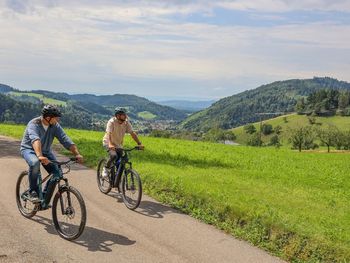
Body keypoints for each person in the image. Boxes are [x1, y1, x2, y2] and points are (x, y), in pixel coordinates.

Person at [20, 105, 83, 203]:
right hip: (29, 149)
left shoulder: (55, 126)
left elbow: (65, 139)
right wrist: (40, 156)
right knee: (35, 163)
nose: (58, 120)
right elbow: (35, 140)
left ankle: (44, 199)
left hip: (46, 151)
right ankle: (32, 192)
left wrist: (77, 154)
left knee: (57, 173)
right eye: (56, 118)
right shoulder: (33, 124)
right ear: (48, 117)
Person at [102, 107, 144, 178]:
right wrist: (110, 144)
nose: (125, 116)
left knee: (121, 162)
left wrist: (139, 143)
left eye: (125, 114)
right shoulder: (111, 122)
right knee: (113, 156)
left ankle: (117, 180)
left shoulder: (126, 122)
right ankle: (106, 168)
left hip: (118, 145)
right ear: (118, 115)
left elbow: (132, 133)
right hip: (108, 142)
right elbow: (108, 133)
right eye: (123, 114)